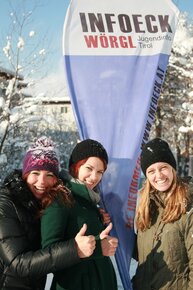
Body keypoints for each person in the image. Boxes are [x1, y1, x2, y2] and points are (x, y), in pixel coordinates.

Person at [0, 136, 98, 290]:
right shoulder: (6, 204)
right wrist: (74, 250)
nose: (42, 182)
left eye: (50, 175)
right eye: (35, 173)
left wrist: (97, 215)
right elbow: (17, 264)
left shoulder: (44, 202)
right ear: (25, 174)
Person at [41, 138, 118, 290]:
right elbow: (47, 255)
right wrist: (97, 247)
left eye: (100, 172)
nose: (94, 176)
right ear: (75, 166)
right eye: (89, 168)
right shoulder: (59, 199)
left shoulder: (90, 199)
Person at [132, 137, 193, 290]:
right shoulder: (147, 208)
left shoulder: (188, 207)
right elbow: (146, 254)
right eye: (151, 171)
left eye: (163, 167)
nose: (158, 176)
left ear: (173, 168)